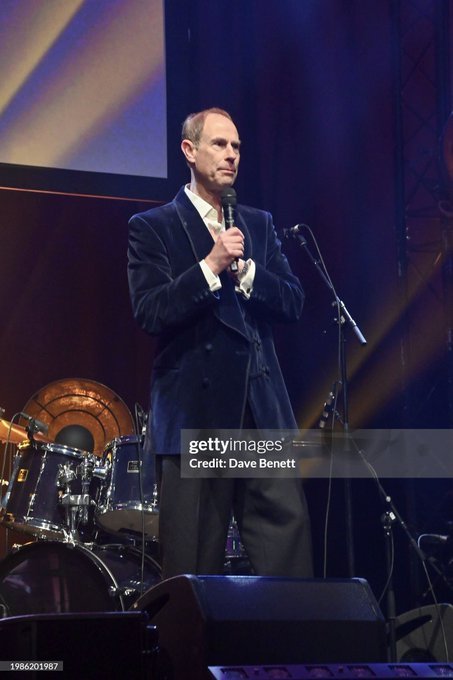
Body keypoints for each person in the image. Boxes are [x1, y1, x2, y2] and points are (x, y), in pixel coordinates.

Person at [127, 107, 313, 579]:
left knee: (288, 565)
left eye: (237, 147)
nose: (232, 155)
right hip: (197, 418)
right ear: (189, 151)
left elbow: (293, 301)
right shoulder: (153, 226)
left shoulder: (258, 223)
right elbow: (150, 310)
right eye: (220, 144)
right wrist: (210, 266)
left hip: (261, 415)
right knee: (193, 572)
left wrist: (248, 274)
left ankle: (291, 634)